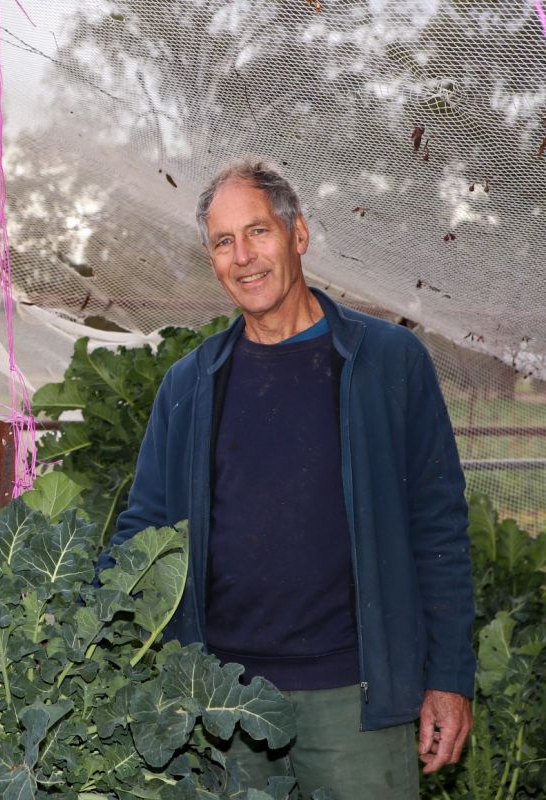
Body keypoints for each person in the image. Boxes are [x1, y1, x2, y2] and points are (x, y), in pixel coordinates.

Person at [101, 160, 475, 797]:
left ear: (298, 234)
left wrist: (449, 676)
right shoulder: (191, 385)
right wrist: (91, 627)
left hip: (355, 696)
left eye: (259, 232)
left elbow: (437, 527)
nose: (243, 257)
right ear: (211, 258)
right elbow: (146, 526)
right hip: (224, 703)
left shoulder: (387, 362)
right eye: (224, 242)